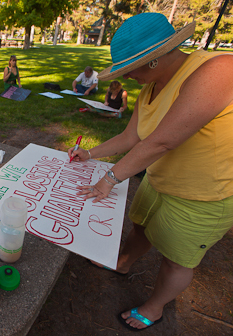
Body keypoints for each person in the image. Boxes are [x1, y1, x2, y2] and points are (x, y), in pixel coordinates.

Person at [68, 13, 233, 331]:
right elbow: (132, 138)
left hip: (203, 196)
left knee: (176, 260)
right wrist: (90, 153)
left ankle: (155, 307)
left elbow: (163, 140)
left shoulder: (217, 70)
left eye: (130, 69)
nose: (126, 77)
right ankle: (122, 263)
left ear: (154, 60)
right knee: (140, 227)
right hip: (158, 180)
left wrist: (109, 178)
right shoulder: (150, 88)